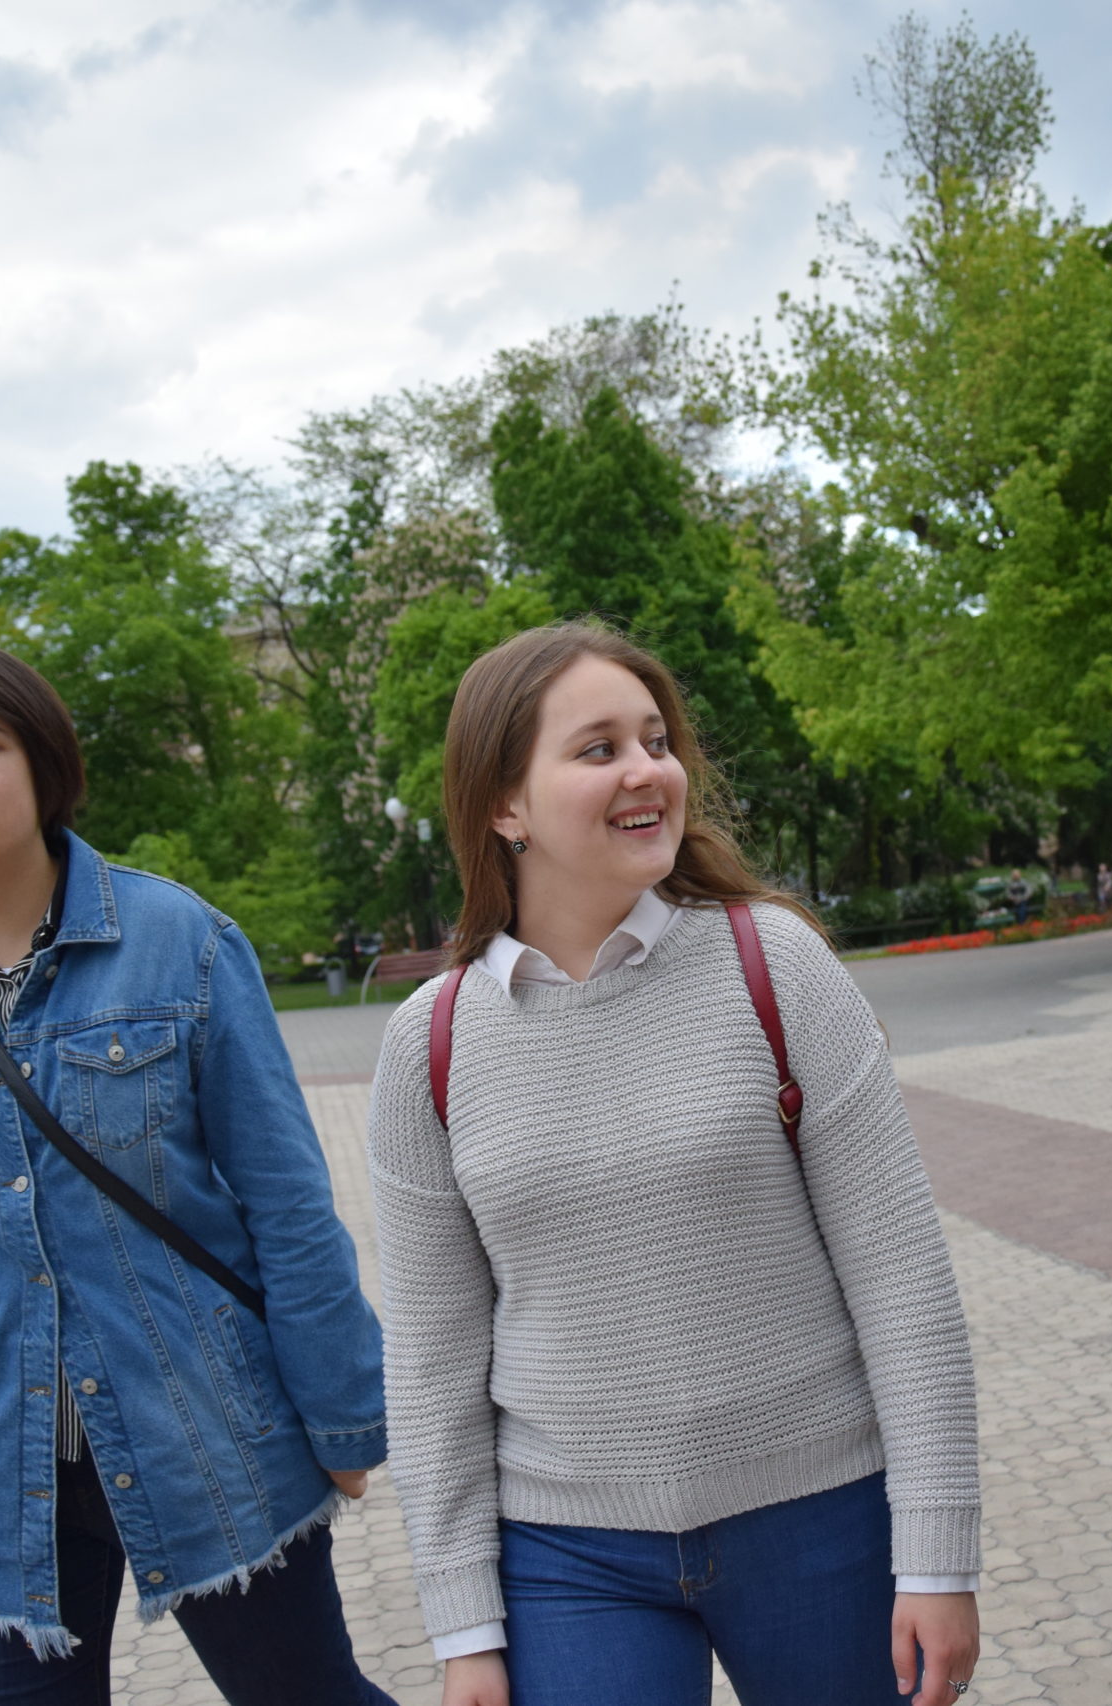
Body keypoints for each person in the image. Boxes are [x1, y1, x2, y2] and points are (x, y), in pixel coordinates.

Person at [365, 622, 982, 1706]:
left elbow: (902, 1278)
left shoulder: (774, 961)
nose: (648, 769)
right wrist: (463, 1628)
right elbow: (431, 1364)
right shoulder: (430, 1045)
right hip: (568, 1559)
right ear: (504, 806)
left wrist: (937, 1555)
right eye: (598, 748)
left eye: (655, 740)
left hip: (820, 1516)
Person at [0, 644, 393, 1705]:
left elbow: (288, 1205)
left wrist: (343, 1417)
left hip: (205, 1433)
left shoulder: (180, 943)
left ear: (43, 764)